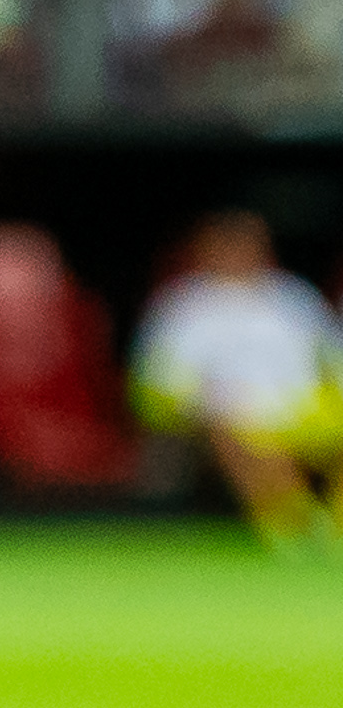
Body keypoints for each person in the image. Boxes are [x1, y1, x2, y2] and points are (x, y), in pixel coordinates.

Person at [133, 212, 343, 550]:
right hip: (224, 415)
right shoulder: (182, 304)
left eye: (245, 244)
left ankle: (335, 529)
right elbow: (159, 384)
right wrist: (208, 402)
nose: (237, 252)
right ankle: (291, 529)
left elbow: (331, 364)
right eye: (226, 245)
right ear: (205, 250)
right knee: (234, 429)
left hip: (302, 411)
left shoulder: (294, 297)